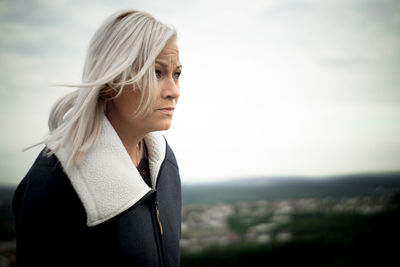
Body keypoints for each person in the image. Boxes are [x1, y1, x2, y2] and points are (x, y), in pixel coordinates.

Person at [12, 9, 182, 267]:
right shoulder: (54, 181)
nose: (174, 91)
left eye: (176, 74)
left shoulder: (164, 162)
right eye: (156, 73)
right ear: (111, 80)